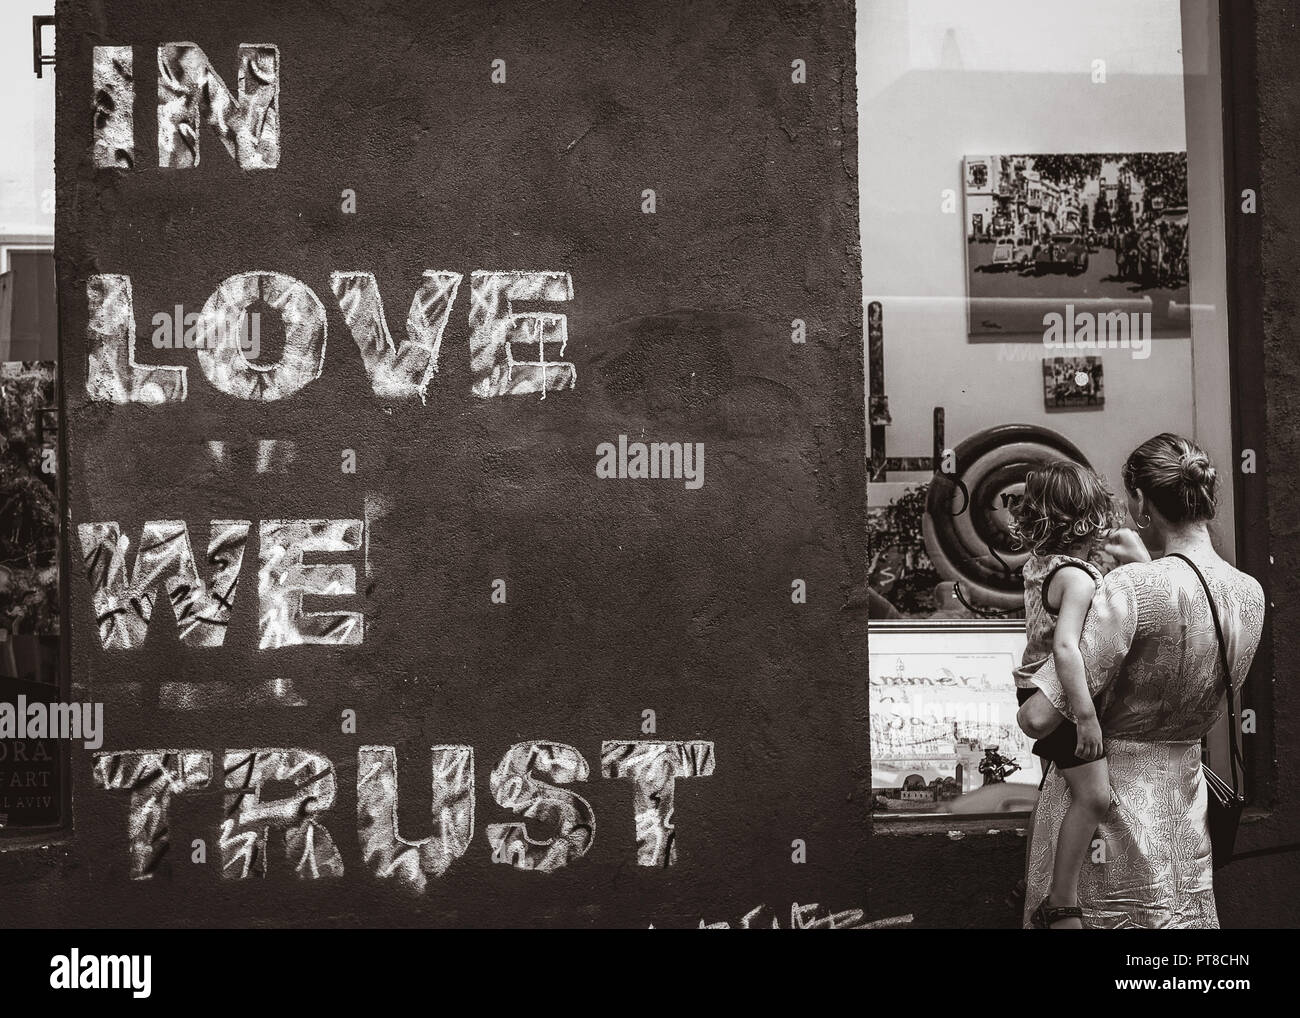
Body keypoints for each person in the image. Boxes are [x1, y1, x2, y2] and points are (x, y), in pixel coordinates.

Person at [1018, 434, 1266, 928]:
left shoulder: (1128, 586)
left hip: (1104, 823)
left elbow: (1039, 716)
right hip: (1185, 814)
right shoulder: (1249, 594)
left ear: (1140, 503)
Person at [1009, 462, 1124, 929]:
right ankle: (1061, 899)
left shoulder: (1042, 564)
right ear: (1089, 514)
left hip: (1031, 688)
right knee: (1094, 798)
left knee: (1052, 788)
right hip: (1061, 699)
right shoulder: (1077, 578)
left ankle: (1029, 879)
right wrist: (1086, 716)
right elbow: (1065, 647)